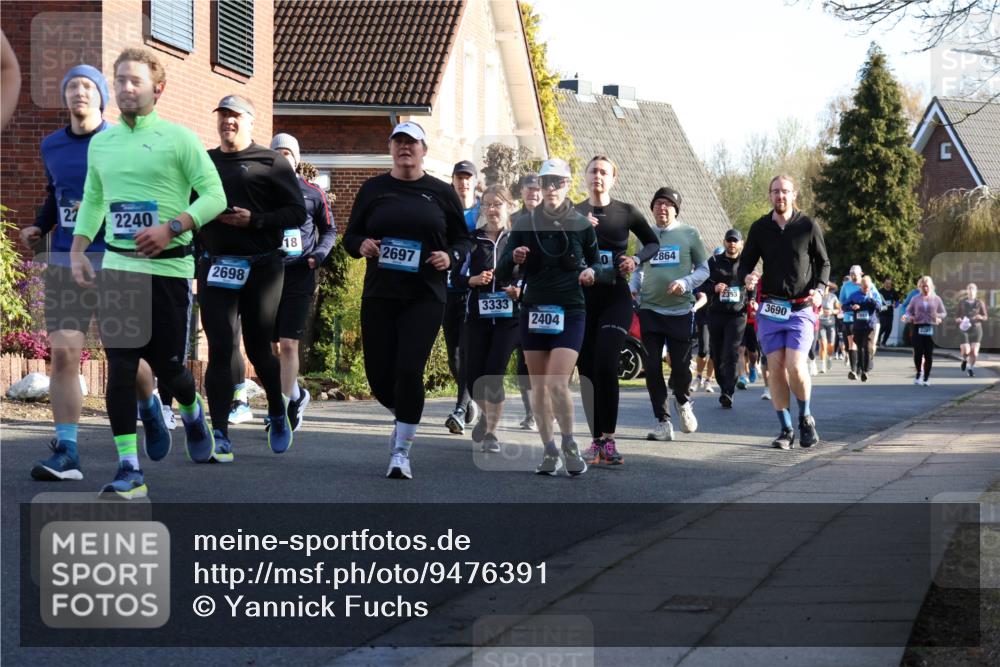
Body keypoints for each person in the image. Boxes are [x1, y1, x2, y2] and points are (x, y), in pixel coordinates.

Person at [70, 47, 224, 498]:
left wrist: (173, 226)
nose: (124, 88)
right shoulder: (103, 142)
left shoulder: (180, 139)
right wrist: (79, 249)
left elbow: (213, 196)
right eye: (119, 80)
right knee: (119, 366)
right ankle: (129, 467)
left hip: (169, 266)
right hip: (118, 265)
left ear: (158, 88)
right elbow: (94, 199)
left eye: (134, 81)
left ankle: (193, 411)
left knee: (168, 366)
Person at [25, 65, 162, 481]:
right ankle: (67, 450)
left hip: (115, 259)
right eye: (72, 87)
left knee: (125, 357)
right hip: (67, 259)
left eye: (88, 87)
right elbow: (56, 195)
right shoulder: (52, 145)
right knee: (64, 353)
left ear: (102, 97)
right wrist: (40, 224)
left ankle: (150, 403)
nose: (79, 93)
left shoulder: (121, 142)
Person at [343, 121, 471, 479]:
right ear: (391, 148)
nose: (405, 148)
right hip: (381, 293)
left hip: (426, 295)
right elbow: (350, 236)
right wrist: (361, 245)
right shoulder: (373, 189)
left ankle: (402, 451)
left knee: (409, 369)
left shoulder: (442, 192)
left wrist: (451, 257)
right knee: (380, 378)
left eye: (412, 143)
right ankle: (406, 416)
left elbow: (462, 240)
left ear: (424, 150)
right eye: (399, 142)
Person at [198, 95, 306, 461]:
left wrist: (255, 220)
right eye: (223, 115)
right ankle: (220, 433)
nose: (228, 121)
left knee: (260, 347)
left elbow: (295, 212)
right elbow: (189, 206)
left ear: (250, 122)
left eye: (235, 116)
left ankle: (277, 410)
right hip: (216, 265)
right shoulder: (205, 161)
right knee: (221, 346)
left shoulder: (272, 162)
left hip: (262, 266)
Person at [497, 158, 599, 476]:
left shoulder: (582, 224)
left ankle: (569, 443)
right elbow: (501, 272)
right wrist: (513, 260)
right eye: (546, 182)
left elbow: (601, 266)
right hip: (534, 311)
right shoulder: (525, 224)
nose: (551, 188)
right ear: (538, 187)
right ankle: (550, 450)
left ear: (568, 185)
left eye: (558, 182)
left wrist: (593, 273)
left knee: (556, 383)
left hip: (570, 311)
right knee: (538, 387)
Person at [574, 156, 658, 465]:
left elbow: (652, 243)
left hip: (615, 298)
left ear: (613, 178)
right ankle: (595, 441)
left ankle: (608, 439)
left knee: (607, 363)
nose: (597, 175)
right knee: (586, 369)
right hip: (582, 300)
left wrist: (635, 260)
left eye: (603, 172)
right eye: (593, 170)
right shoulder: (574, 212)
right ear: (586, 176)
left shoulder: (626, 211)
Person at [739, 175, 830, 450]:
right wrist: (747, 278)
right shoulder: (759, 228)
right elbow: (745, 264)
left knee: (796, 365)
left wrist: (820, 289)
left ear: (794, 195)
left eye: (785, 192)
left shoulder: (807, 225)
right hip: (770, 308)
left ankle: (805, 417)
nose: (781, 196)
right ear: (769, 196)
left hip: (801, 307)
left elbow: (823, 262)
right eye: (776, 192)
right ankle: (786, 429)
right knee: (775, 368)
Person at [266, 132, 336, 428]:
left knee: (289, 343)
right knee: (271, 348)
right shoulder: (260, 190)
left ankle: (281, 411)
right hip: (267, 276)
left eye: (288, 154)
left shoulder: (312, 192)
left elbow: (330, 230)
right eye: (277, 153)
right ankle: (296, 394)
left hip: (299, 273)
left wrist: (317, 255)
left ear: (296, 159)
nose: (283, 158)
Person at [631, 187, 708, 441]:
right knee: (652, 367)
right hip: (650, 309)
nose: (661, 208)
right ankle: (663, 422)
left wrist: (685, 283)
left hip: (679, 311)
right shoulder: (646, 235)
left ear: (676, 209)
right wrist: (633, 289)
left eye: (667, 204)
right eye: (657, 204)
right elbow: (638, 270)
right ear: (652, 208)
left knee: (682, 370)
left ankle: (683, 401)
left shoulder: (689, 234)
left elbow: (704, 270)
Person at [453, 185, 520, 452]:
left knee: (493, 375)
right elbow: (453, 276)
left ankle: (491, 431)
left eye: (498, 204)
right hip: (477, 318)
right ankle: (484, 414)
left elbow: (531, 275)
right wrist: (472, 280)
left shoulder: (517, 241)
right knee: (473, 379)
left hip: (508, 320)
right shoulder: (472, 240)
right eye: (488, 204)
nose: (492, 209)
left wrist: (519, 289)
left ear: (509, 207)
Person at [442, 160, 482, 435]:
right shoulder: (445, 209)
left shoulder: (483, 210)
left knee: (465, 351)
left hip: (476, 289)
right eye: (459, 177)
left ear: (475, 181)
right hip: (449, 288)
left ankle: (460, 407)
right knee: (453, 356)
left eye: (468, 178)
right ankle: (471, 399)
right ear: (453, 180)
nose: (463, 182)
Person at [511, 173, 542, 431]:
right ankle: (531, 412)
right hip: (514, 297)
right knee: (523, 360)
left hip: (546, 298)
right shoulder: (513, 221)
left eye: (538, 189)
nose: (533, 193)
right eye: (529, 189)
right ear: (521, 191)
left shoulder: (556, 221)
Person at [704, 229, 748, 407]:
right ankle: (723, 387)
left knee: (731, 352)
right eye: (729, 240)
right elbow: (702, 284)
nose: (732, 244)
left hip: (737, 315)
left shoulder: (746, 262)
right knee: (716, 353)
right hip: (716, 313)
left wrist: (752, 300)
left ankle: (728, 390)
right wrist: (714, 287)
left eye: (735, 241)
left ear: (741, 244)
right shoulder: (714, 261)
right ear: (724, 242)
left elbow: (752, 284)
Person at [902, 276, 946, 386]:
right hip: (918, 327)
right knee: (918, 353)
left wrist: (938, 317)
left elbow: (943, 313)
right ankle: (918, 372)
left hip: (931, 327)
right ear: (920, 287)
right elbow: (908, 311)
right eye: (923, 286)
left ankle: (926, 377)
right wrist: (908, 316)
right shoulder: (915, 299)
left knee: (928, 354)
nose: (925, 288)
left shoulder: (936, 299)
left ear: (931, 286)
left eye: (927, 286)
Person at [841, 275, 880, 382]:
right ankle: (859, 369)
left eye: (868, 288)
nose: (866, 290)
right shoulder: (854, 295)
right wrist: (851, 307)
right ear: (861, 286)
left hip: (870, 326)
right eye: (864, 288)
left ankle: (865, 371)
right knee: (859, 348)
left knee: (867, 347)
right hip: (858, 326)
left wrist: (871, 299)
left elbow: (879, 307)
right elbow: (843, 306)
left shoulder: (874, 294)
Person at [956, 282, 987, 377]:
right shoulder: (962, 302)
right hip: (964, 328)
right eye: (969, 289)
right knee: (966, 350)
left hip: (976, 329)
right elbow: (957, 316)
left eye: (973, 289)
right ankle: (964, 359)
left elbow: (985, 316)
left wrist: (981, 317)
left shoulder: (980, 303)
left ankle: (970, 368)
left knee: (974, 351)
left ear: (976, 291)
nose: (971, 291)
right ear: (967, 291)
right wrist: (958, 319)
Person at [839, 265, 863, 379]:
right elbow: (842, 302)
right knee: (851, 343)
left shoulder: (866, 285)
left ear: (861, 274)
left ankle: (860, 367)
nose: (853, 276)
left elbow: (874, 300)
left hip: (862, 319)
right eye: (851, 274)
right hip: (849, 318)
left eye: (855, 274)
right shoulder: (846, 286)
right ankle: (853, 370)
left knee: (861, 345)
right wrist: (849, 307)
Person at [817, 282, 841, 373]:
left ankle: (829, 357)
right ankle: (822, 365)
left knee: (830, 345)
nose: (824, 288)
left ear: (828, 287)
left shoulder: (833, 297)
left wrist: (831, 312)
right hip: (820, 323)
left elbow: (839, 310)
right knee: (823, 344)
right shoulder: (818, 296)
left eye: (826, 287)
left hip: (831, 323)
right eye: (822, 286)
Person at [878, 277, 900, 346]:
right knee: (883, 326)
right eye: (887, 283)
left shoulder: (893, 292)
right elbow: (876, 300)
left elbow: (897, 301)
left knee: (889, 328)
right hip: (882, 312)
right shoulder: (880, 291)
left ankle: (883, 342)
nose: (888, 285)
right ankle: (877, 338)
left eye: (889, 284)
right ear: (884, 283)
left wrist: (895, 305)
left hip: (890, 313)